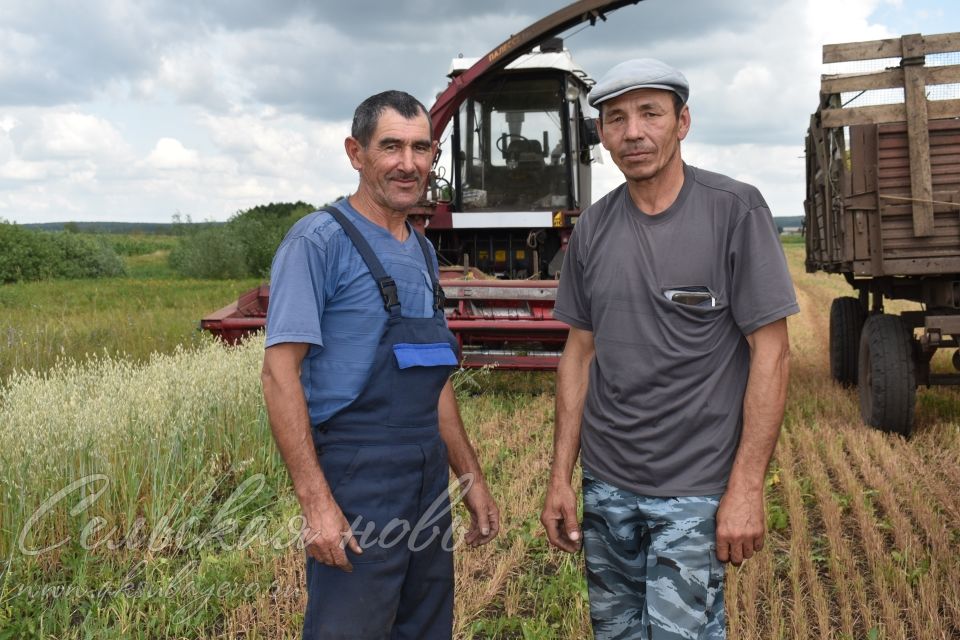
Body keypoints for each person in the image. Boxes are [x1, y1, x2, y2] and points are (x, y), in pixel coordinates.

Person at [540, 59, 798, 639]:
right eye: (615, 119)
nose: (633, 132)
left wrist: (746, 487)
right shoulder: (594, 229)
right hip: (607, 486)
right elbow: (578, 354)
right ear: (601, 135)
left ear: (682, 122)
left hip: (695, 491)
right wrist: (562, 477)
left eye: (650, 113)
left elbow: (772, 354)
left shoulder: (735, 211)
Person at [261, 90, 500, 639]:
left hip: (424, 473)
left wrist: (469, 479)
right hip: (357, 472)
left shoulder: (420, 250)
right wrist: (317, 504)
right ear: (355, 152)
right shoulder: (318, 242)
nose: (408, 164)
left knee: (424, 626)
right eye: (391, 146)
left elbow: (431, 379)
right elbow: (279, 374)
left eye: (421, 148)